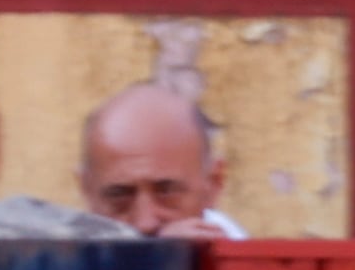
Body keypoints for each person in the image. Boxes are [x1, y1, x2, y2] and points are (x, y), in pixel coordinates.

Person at [79, 82, 243, 242]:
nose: (145, 223)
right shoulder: (63, 262)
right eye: (120, 195)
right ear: (87, 190)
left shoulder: (247, 266)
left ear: (213, 183)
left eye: (166, 191)